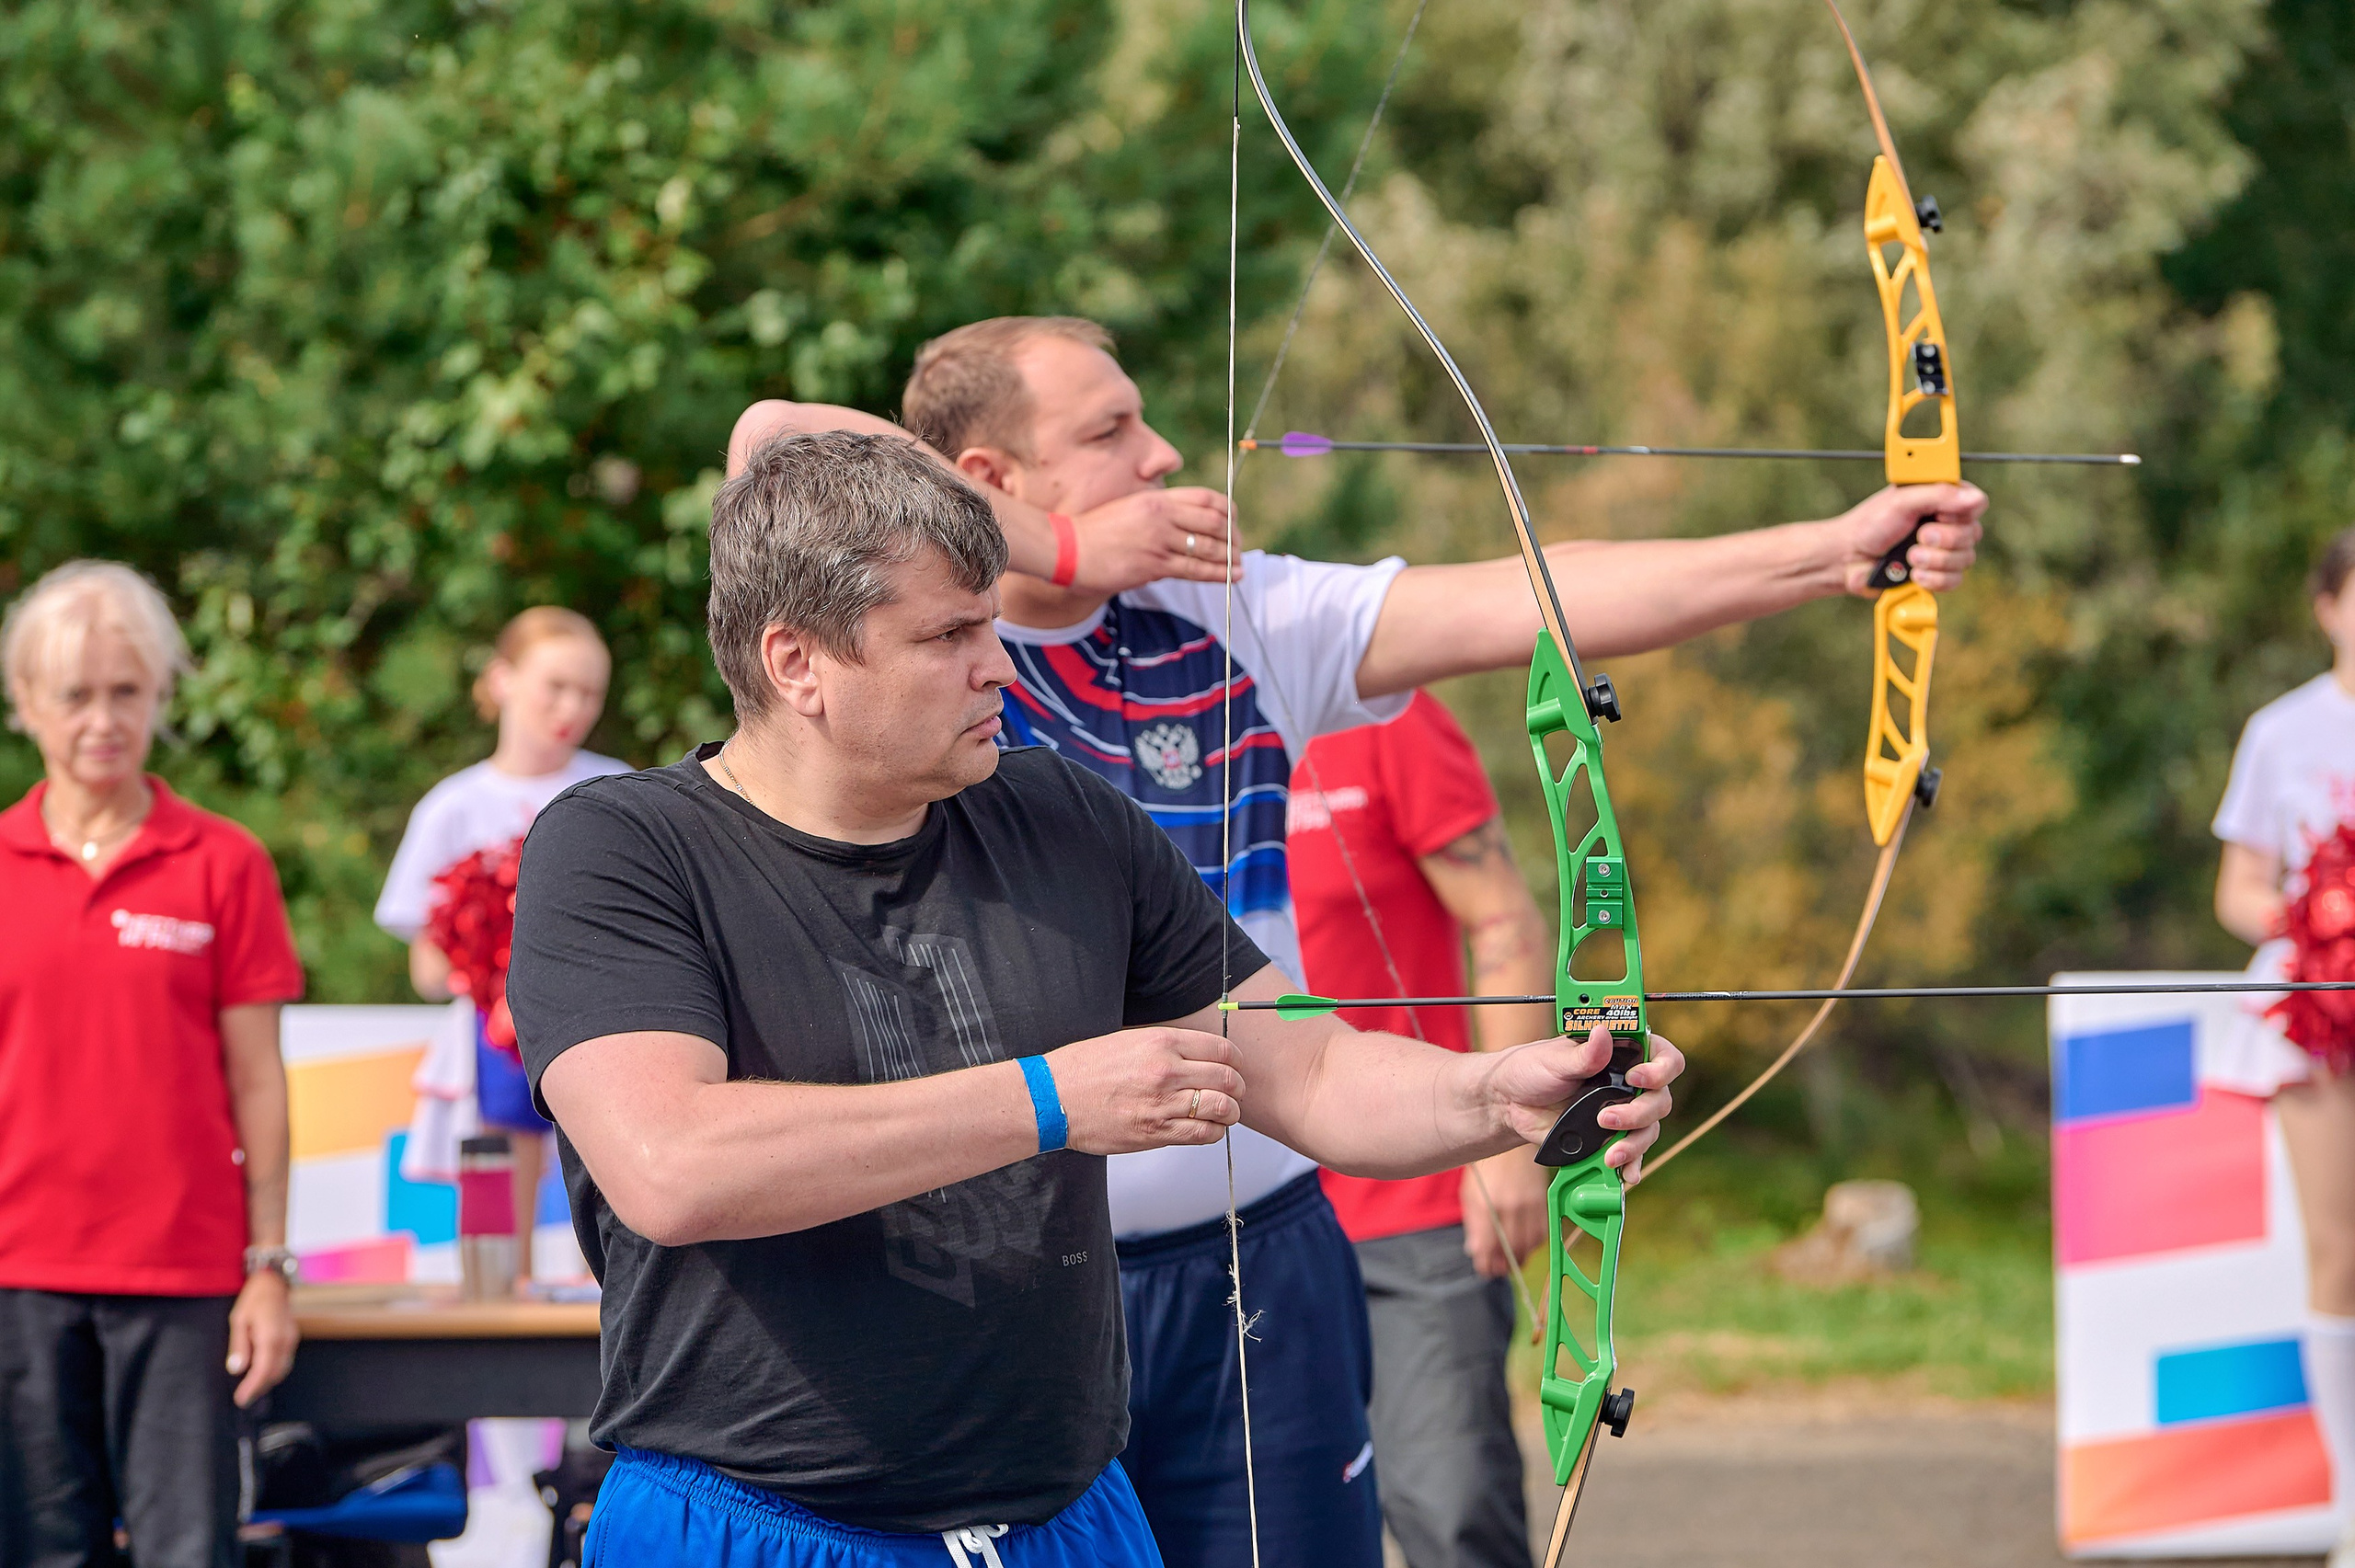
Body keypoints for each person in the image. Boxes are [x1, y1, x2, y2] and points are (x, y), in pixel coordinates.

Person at [726, 314, 1988, 1566]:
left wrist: (1834, 554)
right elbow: (774, 434)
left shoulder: (1231, 612)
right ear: (988, 477)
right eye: (1109, 432)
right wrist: (1062, 547)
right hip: (995, 1288)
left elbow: (1534, 595)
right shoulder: (912, 654)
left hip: (1256, 1260)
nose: (1161, 455)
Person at [503, 431, 1686, 1568]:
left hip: (1063, 1513)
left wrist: (1498, 1092)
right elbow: (671, 1166)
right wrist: (1048, 1098)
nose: (998, 665)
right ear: (796, 661)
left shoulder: (1061, 813)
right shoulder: (620, 848)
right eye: (949, 635)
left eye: (991, 623)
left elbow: (1312, 1068)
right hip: (752, 1521)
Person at [0, 561, 305, 1568]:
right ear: (25, 702)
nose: (103, 719)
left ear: (160, 695)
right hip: (17, 1280)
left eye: (126, 691)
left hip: (182, 1277)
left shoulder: (224, 863)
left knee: (187, 1552)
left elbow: (258, 1083)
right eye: (75, 694)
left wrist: (268, 1267)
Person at [1289, 690, 1557, 1568]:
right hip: (1245, 1224)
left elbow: (1504, 917)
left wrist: (1511, 1150)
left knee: (1451, 1509)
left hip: (1416, 1206)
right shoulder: (1149, 722)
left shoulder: (1387, 717)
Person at [375, 606, 626, 1274]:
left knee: (610, 1189)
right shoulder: (452, 806)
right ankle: (502, 1300)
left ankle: (605, 1300)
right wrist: (483, 967)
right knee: (495, 1210)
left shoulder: (619, 788)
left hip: (602, 1028)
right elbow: (427, 967)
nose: (573, 707)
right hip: (495, 1043)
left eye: (590, 692)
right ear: (502, 679)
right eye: (556, 686)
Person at [2213, 526, 2355, 1568]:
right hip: (2320, 1016)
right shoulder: (2282, 730)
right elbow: (2238, 889)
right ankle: (2353, 1498)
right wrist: (2315, 927)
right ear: (2327, 607)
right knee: (2340, 1248)